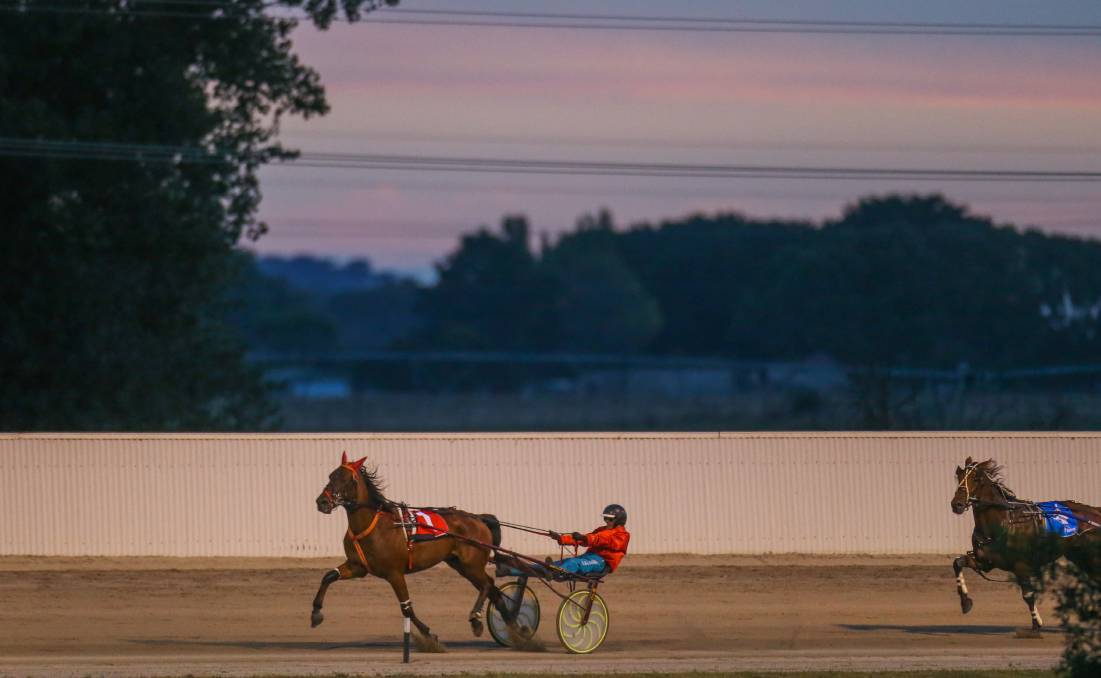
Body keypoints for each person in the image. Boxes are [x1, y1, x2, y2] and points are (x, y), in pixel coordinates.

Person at [546, 504, 630, 575]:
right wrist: (561, 538)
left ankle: (556, 573)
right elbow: (585, 540)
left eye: (610, 519)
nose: (606, 521)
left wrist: (584, 537)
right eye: (605, 518)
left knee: (573, 563)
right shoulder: (601, 529)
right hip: (589, 556)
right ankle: (539, 568)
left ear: (619, 520)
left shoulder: (622, 535)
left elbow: (600, 539)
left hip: (602, 562)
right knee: (565, 561)